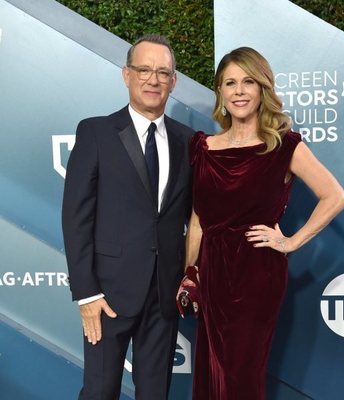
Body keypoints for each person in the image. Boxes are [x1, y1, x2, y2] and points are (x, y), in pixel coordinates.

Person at [177, 47, 344, 400]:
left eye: (248, 81)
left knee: (241, 374)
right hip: (211, 273)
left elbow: (335, 196)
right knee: (212, 370)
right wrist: (190, 271)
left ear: (262, 89)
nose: (239, 91)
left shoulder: (283, 146)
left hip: (256, 274)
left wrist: (290, 242)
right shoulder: (203, 148)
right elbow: (197, 220)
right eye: (230, 83)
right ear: (221, 93)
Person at [62, 34, 194, 399]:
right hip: (107, 295)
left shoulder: (188, 141)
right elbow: (76, 217)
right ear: (126, 75)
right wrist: (86, 293)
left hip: (163, 295)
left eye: (163, 72)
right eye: (144, 70)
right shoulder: (96, 132)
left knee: (155, 393)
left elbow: (196, 216)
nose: (153, 79)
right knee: (100, 391)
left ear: (173, 81)